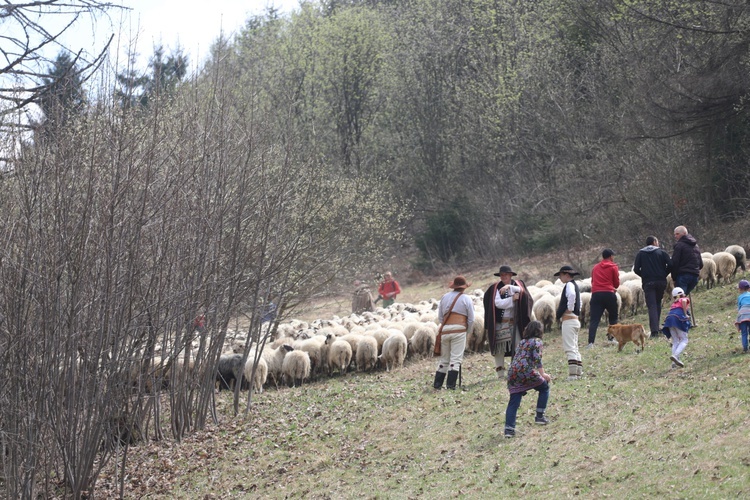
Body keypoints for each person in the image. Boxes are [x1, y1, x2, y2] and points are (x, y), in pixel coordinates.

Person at [483, 265, 534, 379]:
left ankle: (519, 370)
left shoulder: (518, 284)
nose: (503, 277)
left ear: (511, 275)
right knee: (499, 348)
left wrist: (509, 287)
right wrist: (511, 299)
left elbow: (523, 293)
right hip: (501, 323)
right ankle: (500, 373)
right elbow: (498, 303)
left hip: (515, 322)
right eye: (501, 275)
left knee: (519, 345)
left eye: (505, 275)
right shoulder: (495, 288)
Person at [503, 320, 552, 439]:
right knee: (544, 387)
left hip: (513, 373)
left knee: (514, 400)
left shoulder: (522, 342)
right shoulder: (537, 342)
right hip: (526, 371)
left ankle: (509, 429)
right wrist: (543, 374)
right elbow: (537, 360)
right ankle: (540, 416)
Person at [433, 276, 475, 390]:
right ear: (464, 287)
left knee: (444, 359)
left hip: (445, 329)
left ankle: (437, 385)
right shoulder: (467, 299)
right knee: (455, 359)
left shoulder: (444, 297)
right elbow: (471, 319)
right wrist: (467, 331)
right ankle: (450, 385)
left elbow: (441, 317)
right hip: (460, 330)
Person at [633, 236, 673, 338]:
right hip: (660, 282)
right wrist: (663, 273)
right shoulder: (662, 252)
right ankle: (657, 328)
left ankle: (654, 331)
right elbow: (670, 264)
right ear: (654, 242)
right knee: (658, 303)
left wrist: (645, 275)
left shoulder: (641, 254)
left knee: (651, 306)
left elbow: (636, 269)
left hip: (648, 283)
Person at [554, 265, 583, 380]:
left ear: (566, 275)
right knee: (575, 347)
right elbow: (579, 302)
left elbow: (571, 296)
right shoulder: (575, 286)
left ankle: (572, 375)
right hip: (575, 320)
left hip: (569, 320)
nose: (560, 278)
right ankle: (578, 373)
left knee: (569, 347)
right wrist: (576, 310)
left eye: (561, 275)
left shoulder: (569, 285)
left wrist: (570, 308)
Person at [587, 248, 620, 348]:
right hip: (609, 294)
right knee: (613, 317)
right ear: (610, 256)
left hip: (596, 295)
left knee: (594, 320)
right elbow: (616, 283)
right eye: (613, 256)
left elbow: (593, 282)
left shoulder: (595, 268)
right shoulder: (613, 267)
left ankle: (591, 343)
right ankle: (612, 339)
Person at [662, 287, 691, 368]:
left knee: (675, 341)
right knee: (684, 340)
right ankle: (675, 355)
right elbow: (684, 301)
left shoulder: (674, 303)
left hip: (669, 320)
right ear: (681, 293)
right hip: (678, 319)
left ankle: (674, 363)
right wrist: (685, 314)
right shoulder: (683, 299)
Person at [671, 225, 703, 297]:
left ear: (684, 233)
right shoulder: (695, 246)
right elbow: (701, 264)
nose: (675, 236)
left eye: (677, 234)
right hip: (695, 277)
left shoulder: (679, 246)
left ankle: (683, 308)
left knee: (680, 299)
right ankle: (686, 308)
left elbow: (675, 262)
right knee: (684, 297)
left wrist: (674, 277)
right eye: (675, 234)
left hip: (683, 276)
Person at [734, 279, 750, 353]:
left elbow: (739, 307)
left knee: (744, 332)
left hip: (743, 315)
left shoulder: (740, 297)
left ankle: (745, 348)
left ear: (740, 289)